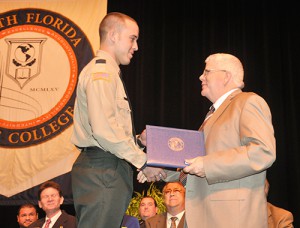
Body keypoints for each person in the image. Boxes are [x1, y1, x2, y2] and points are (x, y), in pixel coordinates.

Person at [71, 12, 166, 228]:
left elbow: (106, 128)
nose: (136, 46)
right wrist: (143, 161)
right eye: (132, 38)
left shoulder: (108, 72)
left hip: (106, 166)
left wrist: (136, 140)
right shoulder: (102, 72)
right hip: (103, 168)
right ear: (113, 35)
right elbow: (104, 131)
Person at [163, 53, 276, 227]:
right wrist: (159, 169)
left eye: (207, 71)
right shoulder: (213, 114)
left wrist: (206, 165)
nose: (201, 76)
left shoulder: (248, 102)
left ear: (226, 76)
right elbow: (194, 166)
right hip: (206, 217)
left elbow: (262, 152)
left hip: (232, 219)